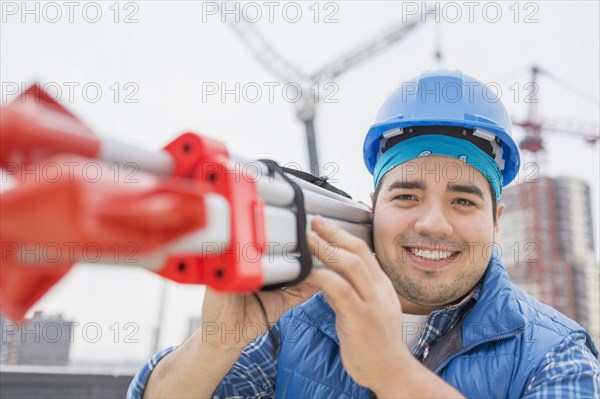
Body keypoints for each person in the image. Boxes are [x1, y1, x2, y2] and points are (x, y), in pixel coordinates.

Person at [128, 70, 599, 398]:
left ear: (496, 220)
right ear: (374, 208)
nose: (432, 224)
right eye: (407, 196)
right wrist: (216, 342)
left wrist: (390, 371)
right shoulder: (297, 323)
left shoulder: (554, 353)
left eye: (463, 201)